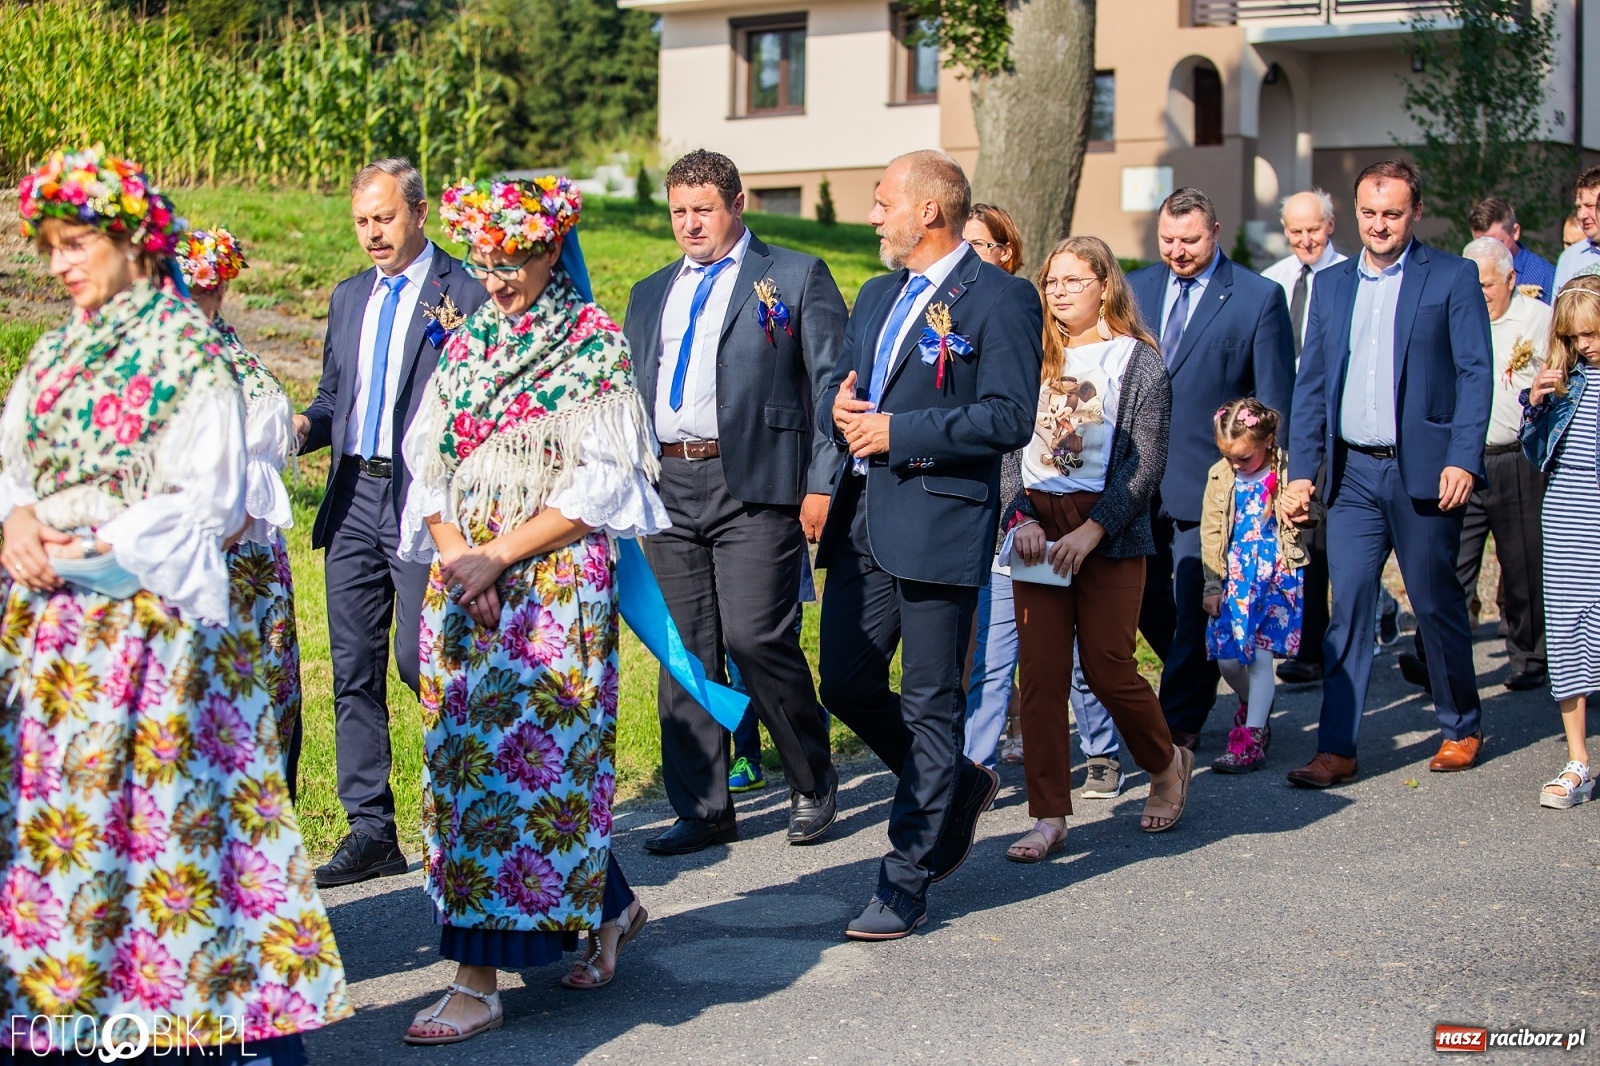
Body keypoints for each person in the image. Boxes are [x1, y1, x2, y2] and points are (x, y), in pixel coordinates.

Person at [1, 147, 350, 1060]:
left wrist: (100, 547)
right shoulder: (53, 352)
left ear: (132, 244)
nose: (61, 263)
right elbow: (14, 465)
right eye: (50, 248)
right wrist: (19, 523)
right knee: (69, 847)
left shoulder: (192, 355)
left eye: (78, 243)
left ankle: (217, 1036)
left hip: (157, 637)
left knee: (175, 848)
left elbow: (213, 503)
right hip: (57, 644)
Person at [398, 176, 667, 1043]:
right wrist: (455, 558)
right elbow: (429, 468)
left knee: (536, 768)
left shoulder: (593, 346)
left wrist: (496, 556)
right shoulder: (467, 344)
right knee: (466, 769)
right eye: (486, 260)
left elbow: (601, 491)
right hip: (468, 590)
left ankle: (476, 980)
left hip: (547, 588)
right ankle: (613, 906)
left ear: (553, 251)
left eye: (515, 259)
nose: (498, 276)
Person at [816, 150, 1040, 940]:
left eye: (882, 202)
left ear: (928, 212)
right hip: (863, 519)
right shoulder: (878, 294)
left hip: (941, 520)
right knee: (843, 682)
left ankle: (905, 880)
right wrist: (839, 411)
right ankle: (957, 786)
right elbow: (843, 392)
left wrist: (898, 430)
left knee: (931, 699)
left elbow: (1010, 416)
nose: (874, 216)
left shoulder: (1001, 298)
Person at [623, 150, 841, 854]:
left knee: (756, 638)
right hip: (668, 485)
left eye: (702, 210)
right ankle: (704, 806)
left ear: (737, 204)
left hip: (755, 484)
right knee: (685, 650)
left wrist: (821, 483)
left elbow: (834, 386)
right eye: (679, 211)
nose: (689, 224)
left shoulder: (794, 275)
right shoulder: (651, 291)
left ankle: (811, 778)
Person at [296, 158, 487, 888]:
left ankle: (473, 795)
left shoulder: (463, 290)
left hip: (425, 503)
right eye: (362, 222)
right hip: (352, 500)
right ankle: (371, 830)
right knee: (352, 667)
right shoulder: (349, 298)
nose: (373, 234)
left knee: (421, 658)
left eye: (384, 218)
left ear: (418, 213)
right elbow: (332, 399)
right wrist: (299, 426)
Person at [1283, 159, 1492, 787]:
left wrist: (1463, 456)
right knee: (1346, 608)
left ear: (1415, 213)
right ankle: (1337, 747)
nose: (1380, 225)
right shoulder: (1334, 283)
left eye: (1393, 213)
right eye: (1370, 213)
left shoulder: (1452, 277)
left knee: (1433, 602)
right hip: (1351, 476)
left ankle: (1460, 725)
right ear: (1355, 214)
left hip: (1424, 471)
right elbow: (1311, 383)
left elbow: (1476, 374)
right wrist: (1300, 472)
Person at [1000, 235, 1189, 863]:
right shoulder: (1033, 354)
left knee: (1109, 669)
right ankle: (1049, 814)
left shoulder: (1139, 363)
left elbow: (1146, 463)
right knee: (1042, 677)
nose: (1057, 293)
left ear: (1105, 285)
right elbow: (1006, 444)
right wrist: (1016, 516)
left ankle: (1166, 764)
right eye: (1051, 282)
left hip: (1107, 529)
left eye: (1072, 281)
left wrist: (1093, 530)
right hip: (1037, 526)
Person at [1126, 188, 1296, 753]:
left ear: (1216, 232)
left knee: (1199, 596)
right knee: (1151, 599)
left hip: (1212, 484)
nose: (1178, 251)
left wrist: (1272, 485)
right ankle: (1197, 682)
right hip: (1134, 477)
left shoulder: (1257, 298)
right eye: (1168, 240)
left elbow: (1274, 401)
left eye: (1191, 240)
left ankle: (1179, 722)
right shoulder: (1136, 288)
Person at [178, 227, 306, 799]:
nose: (187, 303)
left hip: (235, 560)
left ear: (221, 291)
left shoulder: (241, 374)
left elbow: (241, 494)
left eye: (200, 290)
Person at [1408, 238, 1549, 691]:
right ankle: (1434, 660)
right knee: (1449, 566)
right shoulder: (1452, 314)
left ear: (1511, 279)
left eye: (1486, 283)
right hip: (1459, 460)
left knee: (1523, 564)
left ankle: (1528, 657)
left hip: (1515, 459)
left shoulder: (1539, 320)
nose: (1479, 291)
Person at [1518, 267, 1600, 809]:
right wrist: (1538, 405)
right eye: (1572, 337)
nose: (1582, 345)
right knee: (1569, 639)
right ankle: (1579, 762)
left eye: (1592, 332)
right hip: (1569, 520)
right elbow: (1535, 451)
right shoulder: (1568, 383)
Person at [1261, 189, 1347, 686]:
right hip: (1285, 423)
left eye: (1313, 229)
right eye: (1295, 231)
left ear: (1330, 225)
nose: (1305, 239)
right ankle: (1308, 644)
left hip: (1331, 425)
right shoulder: (1275, 280)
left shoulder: (1348, 277)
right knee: (1297, 538)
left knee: (1332, 536)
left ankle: (1351, 628)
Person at [1201, 399, 1307, 773]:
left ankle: (1252, 735)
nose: (1236, 464)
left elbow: (1314, 513)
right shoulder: (1220, 476)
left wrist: (1304, 511)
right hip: (1235, 578)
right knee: (1229, 660)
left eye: (1243, 458)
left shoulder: (1288, 470)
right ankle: (1254, 704)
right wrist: (1212, 584)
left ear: (1268, 441)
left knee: (1260, 659)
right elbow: (1212, 531)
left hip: (1275, 575)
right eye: (1230, 457)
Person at [960, 202, 1026, 769]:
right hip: (974, 502)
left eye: (978, 245)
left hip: (1029, 500)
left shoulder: (1023, 310)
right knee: (984, 643)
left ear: (1005, 252)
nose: (968, 256)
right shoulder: (949, 312)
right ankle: (974, 758)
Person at [1469, 197, 1556, 304]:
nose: (1487, 252)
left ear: (1515, 232)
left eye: (1495, 244)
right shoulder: (1466, 275)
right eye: (1480, 245)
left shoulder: (1545, 276)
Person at [1553, 167, 1600, 290]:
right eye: (1579, 207)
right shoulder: (1569, 258)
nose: (1582, 215)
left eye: (1590, 206)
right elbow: (1558, 308)